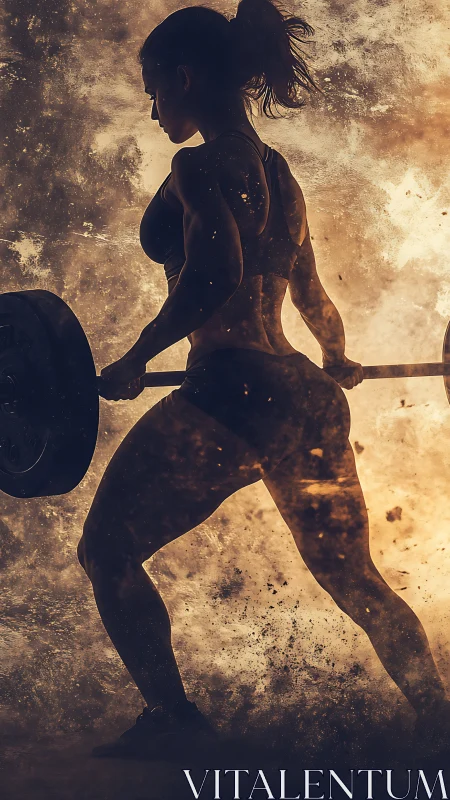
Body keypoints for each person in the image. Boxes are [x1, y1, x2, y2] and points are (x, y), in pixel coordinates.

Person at [77, 0, 449, 758]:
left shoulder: (199, 165)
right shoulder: (280, 175)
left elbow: (217, 273)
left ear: (184, 77)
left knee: (105, 551)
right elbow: (309, 292)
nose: (151, 109)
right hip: (308, 399)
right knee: (356, 581)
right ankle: (440, 716)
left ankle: (172, 720)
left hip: (235, 392)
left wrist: (138, 354)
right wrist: (336, 354)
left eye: (154, 90)